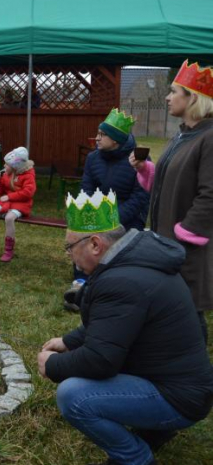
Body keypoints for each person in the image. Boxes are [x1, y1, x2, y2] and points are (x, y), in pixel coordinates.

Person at [38, 189, 213, 465]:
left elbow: (101, 360)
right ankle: (155, 427)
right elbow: (115, 326)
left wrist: (52, 365)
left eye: (70, 247)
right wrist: (68, 341)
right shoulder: (137, 260)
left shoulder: (120, 282)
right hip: (184, 385)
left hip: (179, 398)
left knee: (73, 396)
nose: (70, 256)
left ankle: (135, 457)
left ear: (95, 244)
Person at [130, 59, 213, 336]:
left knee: (189, 310)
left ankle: (197, 376)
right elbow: (170, 180)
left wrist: (185, 233)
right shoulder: (182, 135)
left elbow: (210, 194)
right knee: (173, 310)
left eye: (174, 91)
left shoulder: (209, 138)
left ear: (193, 98)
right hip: (167, 241)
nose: (167, 97)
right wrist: (147, 170)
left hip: (187, 246)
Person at [63, 109, 149, 311]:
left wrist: (113, 218)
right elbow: (87, 187)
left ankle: (109, 288)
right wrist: (91, 215)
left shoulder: (138, 160)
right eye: (98, 134)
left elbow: (141, 196)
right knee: (82, 236)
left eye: (102, 135)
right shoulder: (93, 158)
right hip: (98, 213)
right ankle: (80, 283)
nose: (97, 138)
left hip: (127, 218)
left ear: (116, 140)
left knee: (112, 245)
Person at [0, 147, 36, 263]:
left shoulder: (28, 175)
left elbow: (28, 193)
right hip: (7, 202)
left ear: (15, 167)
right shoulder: (6, 174)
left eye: (7, 164)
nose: (4, 166)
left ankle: (8, 250)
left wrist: (9, 197)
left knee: (9, 218)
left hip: (21, 203)